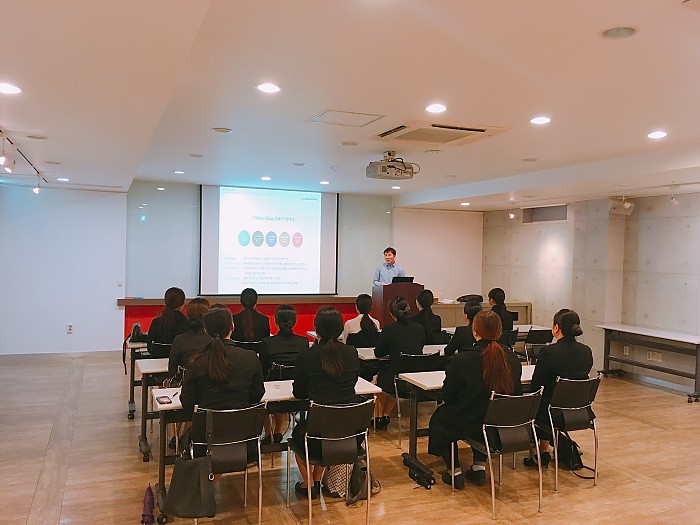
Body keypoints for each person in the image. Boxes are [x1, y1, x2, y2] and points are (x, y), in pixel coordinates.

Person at [428, 309, 523, 489]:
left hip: (468, 420)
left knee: (441, 418)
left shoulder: (462, 359)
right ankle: (479, 466)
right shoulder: (511, 357)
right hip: (498, 425)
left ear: (475, 331)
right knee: (481, 412)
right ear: (499, 331)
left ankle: (454, 471)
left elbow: (448, 395)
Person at [292, 306, 360, 499]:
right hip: (350, 436)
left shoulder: (307, 355)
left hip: (316, 438)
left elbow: (299, 393)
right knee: (323, 426)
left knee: (300, 434)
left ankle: (309, 484)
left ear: (316, 328)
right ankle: (315, 480)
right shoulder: (351, 352)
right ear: (340, 329)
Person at [525, 308, 593, 467]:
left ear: (556, 327)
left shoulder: (548, 352)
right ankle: (544, 448)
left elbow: (536, 386)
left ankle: (536, 451)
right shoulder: (586, 351)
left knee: (533, 403)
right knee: (547, 401)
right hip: (579, 411)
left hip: (552, 413)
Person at [180, 306, 264, 412]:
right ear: (232, 326)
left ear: (206, 330)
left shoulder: (196, 361)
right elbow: (257, 394)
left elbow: (187, 401)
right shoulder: (250, 358)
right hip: (243, 421)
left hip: (206, 422)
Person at [373, 296, 425, 429]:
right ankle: (385, 415)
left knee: (380, 378)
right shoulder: (419, 328)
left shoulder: (389, 330)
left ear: (391, 313)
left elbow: (378, 353)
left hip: (396, 379)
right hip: (416, 378)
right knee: (390, 376)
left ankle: (379, 417)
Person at [260, 304, 309, 444]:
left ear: (275, 321)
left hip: (271, 397)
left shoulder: (267, 343)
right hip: (297, 395)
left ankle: (268, 433)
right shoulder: (303, 342)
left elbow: (262, 370)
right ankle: (278, 431)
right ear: (295, 321)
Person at [168, 298, 211, 375]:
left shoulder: (179, 340)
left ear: (187, 315)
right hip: (211, 381)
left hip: (187, 380)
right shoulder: (214, 340)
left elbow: (172, 370)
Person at [147, 287, 190, 357]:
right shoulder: (187, 323)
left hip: (157, 360)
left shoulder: (156, 322)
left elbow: (149, 347)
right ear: (183, 304)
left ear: (165, 302)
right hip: (179, 361)